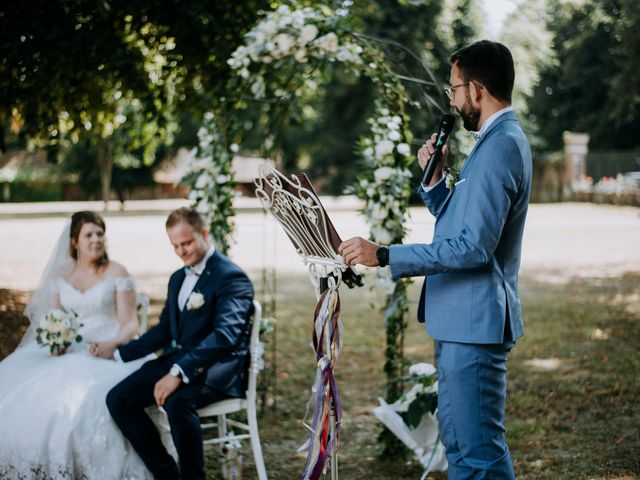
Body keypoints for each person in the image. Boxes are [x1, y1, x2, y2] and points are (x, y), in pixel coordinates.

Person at [339, 40, 532, 478]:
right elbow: (459, 222)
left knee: (479, 455)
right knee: (459, 447)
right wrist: (436, 179)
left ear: (477, 89)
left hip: (475, 324)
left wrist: (384, 254)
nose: (452, 98)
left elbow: (473, 248)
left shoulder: (501, 146)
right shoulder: (490, 142)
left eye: (454, 88)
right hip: (458, 321)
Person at [0, 211, 155, 479]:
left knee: (92, 401)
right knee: (32, 397)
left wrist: (112, 343)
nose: (96, 240)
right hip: (70, 348)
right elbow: (54, 318)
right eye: (89, 235)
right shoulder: (62, 274)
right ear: (74, 242)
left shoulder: (117, 272)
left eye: (100, 234)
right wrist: (55, 340)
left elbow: (130, 325)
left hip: (109, 346)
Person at [103, 207, 254, 480]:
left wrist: (177, 373)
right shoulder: (177, 278)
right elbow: (164, 330)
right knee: (118, 399)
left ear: (204, 234)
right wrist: (118, 354)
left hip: (218, 369)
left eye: (187, 243)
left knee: (176, 400)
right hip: (181, 360)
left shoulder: (231, 276)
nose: (182, 251)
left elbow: (225, 336)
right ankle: (167, 474)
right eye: (175, 246)